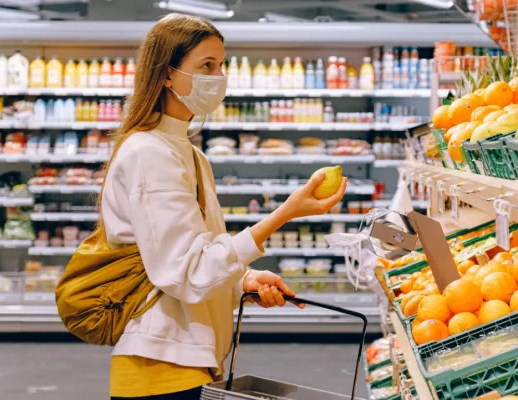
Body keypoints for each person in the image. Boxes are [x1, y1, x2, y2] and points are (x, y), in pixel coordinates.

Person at [98, 13, 347, 400]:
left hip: (192, 360)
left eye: (222, 64)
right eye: (207, 65)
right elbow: (188, 271)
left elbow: (197, 255)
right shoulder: (149, 153)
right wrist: (285, 213)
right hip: (160, 368)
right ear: (167, 74)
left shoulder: (190, 154)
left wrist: (241, 281)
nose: (219, 76)